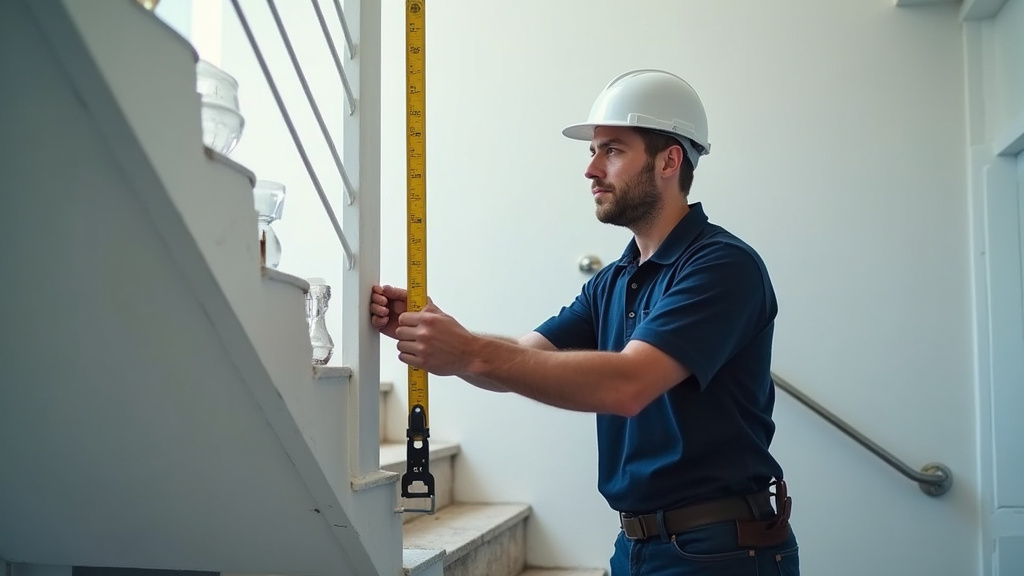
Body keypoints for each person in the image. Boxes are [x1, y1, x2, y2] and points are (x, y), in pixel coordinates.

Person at [370, 69, 799, 576]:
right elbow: (527, 356)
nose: (591, 169)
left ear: (669, 159)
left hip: (719, 552)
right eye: (591, 151)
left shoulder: (721, 266)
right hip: (636, 546)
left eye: (612, 150)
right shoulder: (614, 280)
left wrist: (466, 351)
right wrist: (444, 331)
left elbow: (628, 385)